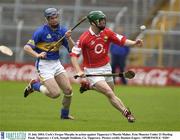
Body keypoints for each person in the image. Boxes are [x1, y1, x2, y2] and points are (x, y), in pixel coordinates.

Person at [70, 11, 143, 123]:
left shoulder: (107, 32)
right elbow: (74, 55)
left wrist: (134, 43)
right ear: (93, 23)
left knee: (110, 93)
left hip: (106, 67)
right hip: (92, 71)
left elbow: (122, 40)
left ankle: (89, 87)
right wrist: (79, 71)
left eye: (104, 20)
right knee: (109, 92)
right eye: (101, 20)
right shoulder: (84, 38)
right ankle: (127, 114)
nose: (103, 22)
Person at [23, 8, 74, 119]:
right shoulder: (40, 32)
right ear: (47, 19)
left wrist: (69, 39)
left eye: (56, 17)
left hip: (56, 63)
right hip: (44, 66)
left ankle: (64, 115)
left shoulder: (62, 31)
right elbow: (27, 48)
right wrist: (37, 55)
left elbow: (73, 50)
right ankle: (34, 85)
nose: (55, 20)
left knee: (68, 90)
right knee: (55, 94)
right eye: (52, 18)